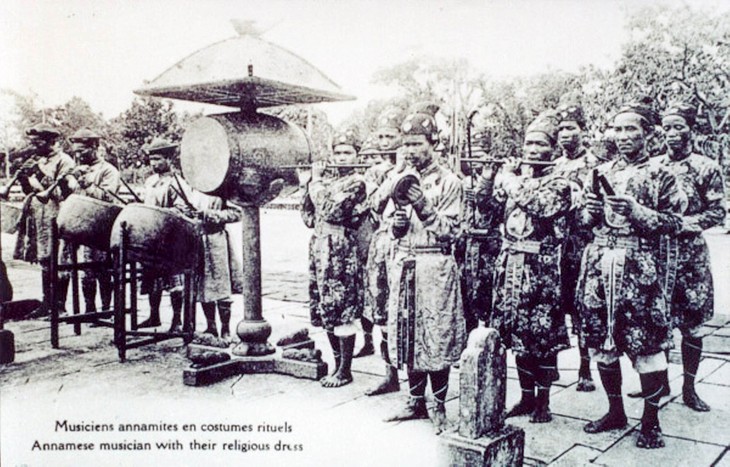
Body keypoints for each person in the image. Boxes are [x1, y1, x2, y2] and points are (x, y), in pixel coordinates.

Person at [577, 100, 685, 449]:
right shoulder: (600, 172)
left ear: (648, 134)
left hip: (640, 270)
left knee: (646, 345)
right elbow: (583, 223)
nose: (622, 136)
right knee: (601, 342)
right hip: (599, 266)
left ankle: (651, 421)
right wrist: (590, 211)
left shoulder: (661, 174)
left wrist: (637, 211)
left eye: (630, 129)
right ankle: (615, 411)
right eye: (617, 129)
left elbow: (675, 223)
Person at [479, 112, 572, 423]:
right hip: (509, 265)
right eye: (529, 143)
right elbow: (489, 212)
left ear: (553, 148)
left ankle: (544, 402)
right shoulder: (517, 179)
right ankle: (526, 397)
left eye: (540, 144)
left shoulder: (560, 183)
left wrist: (510, 180)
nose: (532, 149)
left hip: (540, 269)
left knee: (541, 337)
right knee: (516, 335)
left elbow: (540, 207)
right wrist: (488, 179)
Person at [384, 105, 465, 434]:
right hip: (406, 263)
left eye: (417, 143)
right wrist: (397, 225)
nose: (410, 150)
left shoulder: (450, 182)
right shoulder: (399, 179)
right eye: (406, 144)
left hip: (436, 266)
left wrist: (422, 205)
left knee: (436, 335)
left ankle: (439, 404)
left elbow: (451, 231)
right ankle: (415, 400)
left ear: (434, 143)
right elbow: (390, 226)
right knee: (408, 334)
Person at [656, 102, 726, 411]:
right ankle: (658, 384)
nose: (672, 133)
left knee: (692, 324)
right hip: (657, 255)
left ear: (691, 129)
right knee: (656, 320)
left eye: (678, 127)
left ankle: (690, 388)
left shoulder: (706, 167)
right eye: (667, 128)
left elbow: (717, 211)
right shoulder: (653, 166)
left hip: (690, 257)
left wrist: (683, 224)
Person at [305, 130, 368, 388]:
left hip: (341, 249)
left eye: (347, 153)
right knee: (325, 308)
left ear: (357, 155)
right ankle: (337, 364)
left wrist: (316, 182)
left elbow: (330, 211)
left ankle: (345, 370)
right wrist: (308, 184)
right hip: (320, 247)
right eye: (337, 152)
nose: (341, 157)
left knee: (342, 308)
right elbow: (309, 217)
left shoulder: (357, 182)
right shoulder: (328, 182)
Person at [554, 102, 601, 392]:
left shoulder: (595, 165)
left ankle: (585, 369)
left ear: (583, 131)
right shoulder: (553, 165)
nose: (564, 134)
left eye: (570, 128)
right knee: (554, 304)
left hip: (582, 245)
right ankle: (551, 366)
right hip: (554, 246)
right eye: (560, 129)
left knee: (581, 308)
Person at [361, 106, 407, 395]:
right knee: (381, 308)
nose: (384, 142)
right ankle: (390, 375)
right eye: (380, 136)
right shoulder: (374, 172)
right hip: (382, 242)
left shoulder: (416, 166)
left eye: (390, 136)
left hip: (407, 243)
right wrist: (395, 175)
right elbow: (375, 204)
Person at [17, 124, 75, 318]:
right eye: (32, 143)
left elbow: (64, 192)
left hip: (58, 216)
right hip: (40, 216)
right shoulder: (39, 160)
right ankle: (46, 303)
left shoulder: (65, 161)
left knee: (60, 260)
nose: (34, 147)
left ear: (51, 141)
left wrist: (39, 174)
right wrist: (24, 179)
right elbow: (32, 191)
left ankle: (60, 306)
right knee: (44, 260)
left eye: (38, 143)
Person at [138, 138, 189, 333]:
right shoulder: (150, 182)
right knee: (152, 278)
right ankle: (154, 316)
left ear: (169, 159)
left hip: (171, 238)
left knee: (174, 281)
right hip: (151, 237)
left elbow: (181, 210)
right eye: (151, 159)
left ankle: (177, 321)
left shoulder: (177, 182)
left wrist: (162, 215)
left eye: (158, 159)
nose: (154, 163)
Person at [68, 128, 121, 313]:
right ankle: (90, 309)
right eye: (76, 151)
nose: (78, 155)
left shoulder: (108, 170)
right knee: (86, 271)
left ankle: (106, 308)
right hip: (82, 225)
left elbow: (107, 197)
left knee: (103, 269)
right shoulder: (77, 169)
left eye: (82, 151)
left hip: (102, 226)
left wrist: (85, 182)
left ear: (94, 147)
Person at [460, 121, 503, 334]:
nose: (476, 159)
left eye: (481, 153)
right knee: (467, 295)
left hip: (489, 245)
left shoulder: (499, 180)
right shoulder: (463, 181)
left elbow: (498, 210)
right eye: (473, 154)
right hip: (467, 245)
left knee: (489, 293)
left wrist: (483, 194)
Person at [191, 190, 243, 343]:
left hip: (217, 241)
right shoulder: (193, 188)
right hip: (198, 240)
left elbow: (237, 213)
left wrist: (210, 214)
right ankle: (211, 326)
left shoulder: (222, 188)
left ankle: (225, 328)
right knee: (203, 286)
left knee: (221, 286)